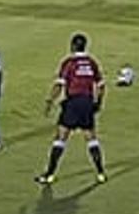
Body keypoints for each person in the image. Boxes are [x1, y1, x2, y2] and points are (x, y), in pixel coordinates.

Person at [36, 33, 107, 185]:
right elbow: (101, 86)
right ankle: (101, 173)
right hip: (87, 103)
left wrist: (50, 101)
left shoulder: (69, 63)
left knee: (60, 138)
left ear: (73, 46)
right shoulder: (92, 62)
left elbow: (59, 85)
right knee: (91, 138)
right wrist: (98, 103)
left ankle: (49, 175)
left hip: (73, 103)